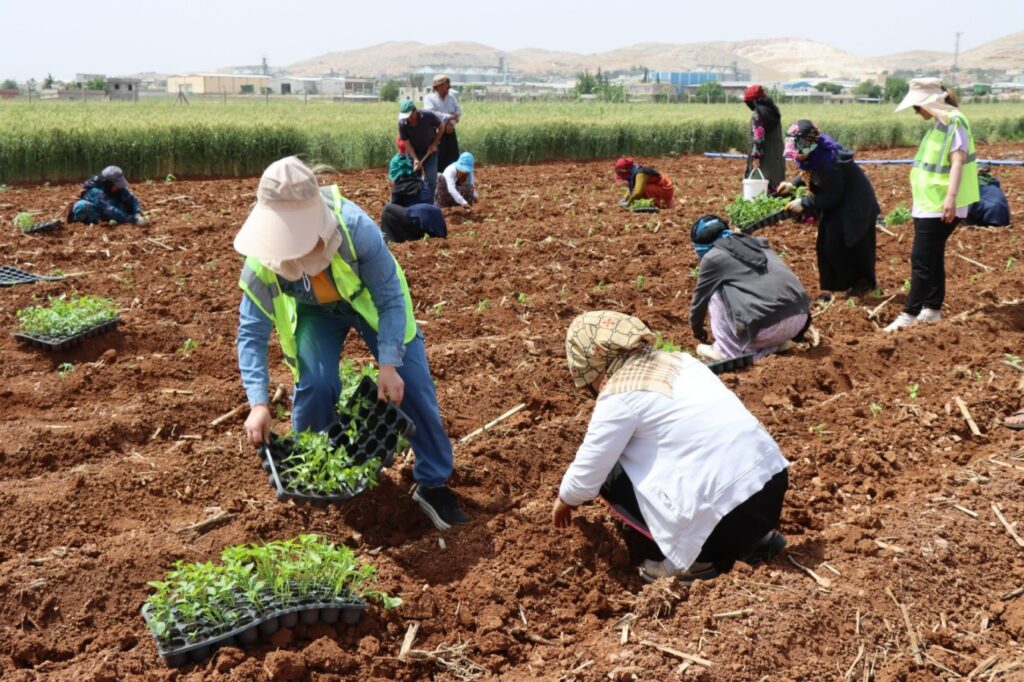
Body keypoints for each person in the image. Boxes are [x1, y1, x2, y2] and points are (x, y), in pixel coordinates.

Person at [235, 156, 466, 530]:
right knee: (316, 383)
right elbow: (251, 331)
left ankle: (433, 481)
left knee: (413, 382)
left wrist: (389, 364)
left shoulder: (354, 227)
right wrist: (258, 403)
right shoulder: (263, 259)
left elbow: (390, 298)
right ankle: (319, 471)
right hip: (315, 313)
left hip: (369, 303)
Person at [552, 311, 790, 582]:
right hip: (770, 485)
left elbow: (588, 473)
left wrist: (565, 499)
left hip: (720, 521)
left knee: (611, 474)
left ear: (594, 364)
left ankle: (691, 561)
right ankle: (756, 541)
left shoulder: (618, 395)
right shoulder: (682, 361)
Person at [885, 78, 980, 332]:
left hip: (941, 202)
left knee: (922, 257)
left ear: (929, 102)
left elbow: (958, 161)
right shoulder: (940, 124)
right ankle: (932, 308)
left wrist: (950, 197)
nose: (917, 112)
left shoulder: (954, 122)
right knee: (933, 254)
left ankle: (909, 313)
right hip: (929, 201)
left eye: (917, 106)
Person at [777, 120, 880, 300]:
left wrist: (805, 203)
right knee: (826, 245)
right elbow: (808, 174)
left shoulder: (830, 161)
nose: (797, 156)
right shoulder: (813, 155)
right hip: (838, 203)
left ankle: (863, 284)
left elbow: (833, 195)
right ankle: (827, 289)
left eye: (798, 152)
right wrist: (791, 185)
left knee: (853, 244)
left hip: (855, 205)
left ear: (809, 146)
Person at [689, 216, 811, 362]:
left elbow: (700, 299)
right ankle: (775, 346)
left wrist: (698, 331)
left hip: (765, 331)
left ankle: (726, 351)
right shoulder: (758, 243)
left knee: (716, 292)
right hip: (799, 320)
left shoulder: (712, 257)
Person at [397, 99, 445, 199]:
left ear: (415, 111)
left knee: (431, 179)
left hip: (430, 152)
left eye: (409, 116)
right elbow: (407, 143)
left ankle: (429, 203)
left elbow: (441, 126)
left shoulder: (428, 116)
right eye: (405, 117)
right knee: (414, 180)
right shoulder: (402, 123)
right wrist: (415, 159)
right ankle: (416, 203)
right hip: (414, 153)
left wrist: (434, 143)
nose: (408, 119)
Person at [68, 166, 147, 226]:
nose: (119, 186)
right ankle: (89, 224)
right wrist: (133, 219)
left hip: (108, 211)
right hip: (99, 211)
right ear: (109, 183)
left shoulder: (117, 188)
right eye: (117, 184)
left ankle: (118, 219)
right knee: (81, 206)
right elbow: (109, 209)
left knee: (123, 206)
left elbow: (132, 199)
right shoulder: (94, 191)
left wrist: (137, 212)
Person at [743, 84, 785, 192]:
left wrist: (756, 157)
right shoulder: (774, 112)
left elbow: (758, 136)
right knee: (776, 183)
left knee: (760, 184)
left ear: (754, 101)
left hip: (764, 157)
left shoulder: (758, 114)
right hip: (777, 154)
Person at [422, 74, 462, 172]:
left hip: (450, 131)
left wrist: (451, 123)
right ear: (438, 86)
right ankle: (439, 183)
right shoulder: (429, 98)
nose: (449, 87)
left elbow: (458, 111)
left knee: (453, 158)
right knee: (439, 159)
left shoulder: (451, 97)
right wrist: (448, 116)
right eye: (446, 85)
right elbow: (431, 114)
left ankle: (452, 182)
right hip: (437, 133)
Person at [379, 203, 447, 243]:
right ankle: (386, 239)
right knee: (387, 215)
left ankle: (385, 239)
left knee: (387, 210)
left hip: (414, 216)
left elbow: (388, 208)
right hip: (419, 218)